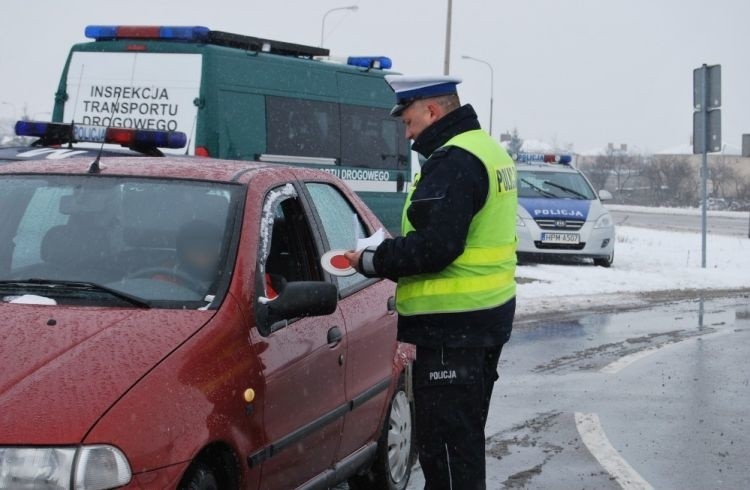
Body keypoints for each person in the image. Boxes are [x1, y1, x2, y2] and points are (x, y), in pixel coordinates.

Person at [344, 75, 518, 489]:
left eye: (408, 122)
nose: (407, 134)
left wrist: (372, 259)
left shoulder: (453, 160)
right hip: (482, 321)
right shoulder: (488, 150)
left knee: (447, 455)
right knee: (463, 444)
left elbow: (436, 247)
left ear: (432, 111)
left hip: (452, 331)